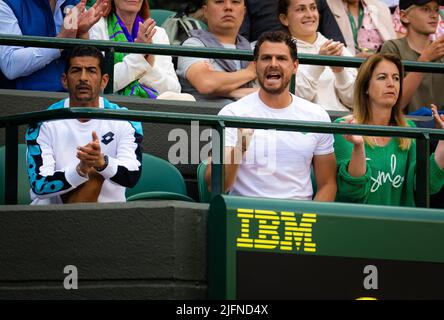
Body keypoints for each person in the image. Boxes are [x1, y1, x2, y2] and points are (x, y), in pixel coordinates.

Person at [205, 31, 337, 201]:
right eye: (266, 58)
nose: (273, 64)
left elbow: (328, 184)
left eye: (281, 59)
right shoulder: (231, 114)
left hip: (300, 220)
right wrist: (240, 148)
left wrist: (312, 221)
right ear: (255, 65)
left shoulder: (317, 116)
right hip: (246, 217)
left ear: (295, 66)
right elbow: (216, 184)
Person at [26, 45, 143, 205]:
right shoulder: (42, 123)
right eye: (76, 70)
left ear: (104, 81)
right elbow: (40, 185)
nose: (83, 77)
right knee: (91, 174)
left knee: (95, 173)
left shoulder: (126, 120)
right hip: (50, 219)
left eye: (91, 70)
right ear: (64, 80)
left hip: (107, 219)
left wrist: (102, 162)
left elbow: (131, 176)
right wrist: (80, 170)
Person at [334, 53, 444, 206]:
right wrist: (358, 146)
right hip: (358, 226)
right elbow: (352, 192)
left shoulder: (409, 129)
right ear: (365, 86)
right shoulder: (345, 126)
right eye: (382, 77)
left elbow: (425, 186)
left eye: (396, 78)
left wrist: (443, 144)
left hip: (400, 227)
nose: (391, 84)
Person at [0, 0, 108, 91]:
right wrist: (60, 42)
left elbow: (90, 67)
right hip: (25, 101)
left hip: (72, 100)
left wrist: (82, 34)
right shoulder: (7, 4)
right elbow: (10, 65)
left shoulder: (75, 4)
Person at [89, 0, 181, 98]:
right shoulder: (96, 27)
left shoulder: (158, 33)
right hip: (112, 105)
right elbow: (99, 84)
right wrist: (140, 57)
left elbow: (174, 89)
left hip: (153, 106)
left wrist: (145, 62)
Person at [278, 0, 357, 111]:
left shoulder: (337, 48)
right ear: (284, 19)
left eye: (313, 8)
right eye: (301, 9)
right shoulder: (278, 53)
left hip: (341, 123)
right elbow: (291, 99)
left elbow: (356, 100)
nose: (310, 15)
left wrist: (340, 71)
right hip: (302, 124)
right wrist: (319, 63)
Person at [176, 0, 258, 105]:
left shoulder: (256, 50)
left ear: (243, 12)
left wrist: (225, 88)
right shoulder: (193, 46)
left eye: (235, 2)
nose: (228, 7)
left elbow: (275, 93)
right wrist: (250, 72)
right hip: (204, 119)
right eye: (219, 2)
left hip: (247, 118)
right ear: (205, 11)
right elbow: (207, 84)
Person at [381, 0, 444, 112]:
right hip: (404, 126)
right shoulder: (392, 48)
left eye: (436, 9)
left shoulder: (440, 51)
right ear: (404, 16)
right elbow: (393, 105)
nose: (434, 15)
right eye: (425, 9)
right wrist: (425, 60)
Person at [321, 0, 396, 56]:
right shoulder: (326, 6)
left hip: (382, 65)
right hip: (348, 70)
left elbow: (393, 45)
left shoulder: (381, 7)